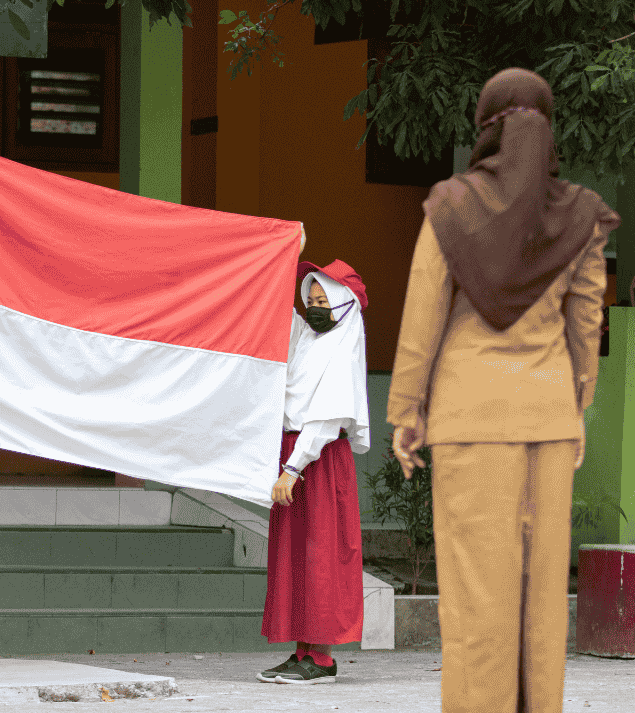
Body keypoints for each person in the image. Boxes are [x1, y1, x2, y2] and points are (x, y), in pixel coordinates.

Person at [388, 68, 619, 713]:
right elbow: (586, 326)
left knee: (475, 595)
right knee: (541, 597)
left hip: (467, 419)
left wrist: (408, 411)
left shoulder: (449, 207)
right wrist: (576, 408)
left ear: (485, 129)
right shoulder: (580, 215)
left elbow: (422, 317)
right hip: (546, 421)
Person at [258, 258, 371, 685]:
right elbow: (280, 315)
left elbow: (325, 419)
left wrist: (291, 468)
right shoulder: (311, 340)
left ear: (344, 304)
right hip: (296, 458)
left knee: (320, 555)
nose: (316, 306)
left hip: (316, 461)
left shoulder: (344, 346)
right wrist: (278, 258)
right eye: (311, 298)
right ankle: (302, 651)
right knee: (296, 555)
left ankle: (321, 659)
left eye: (325, 299)